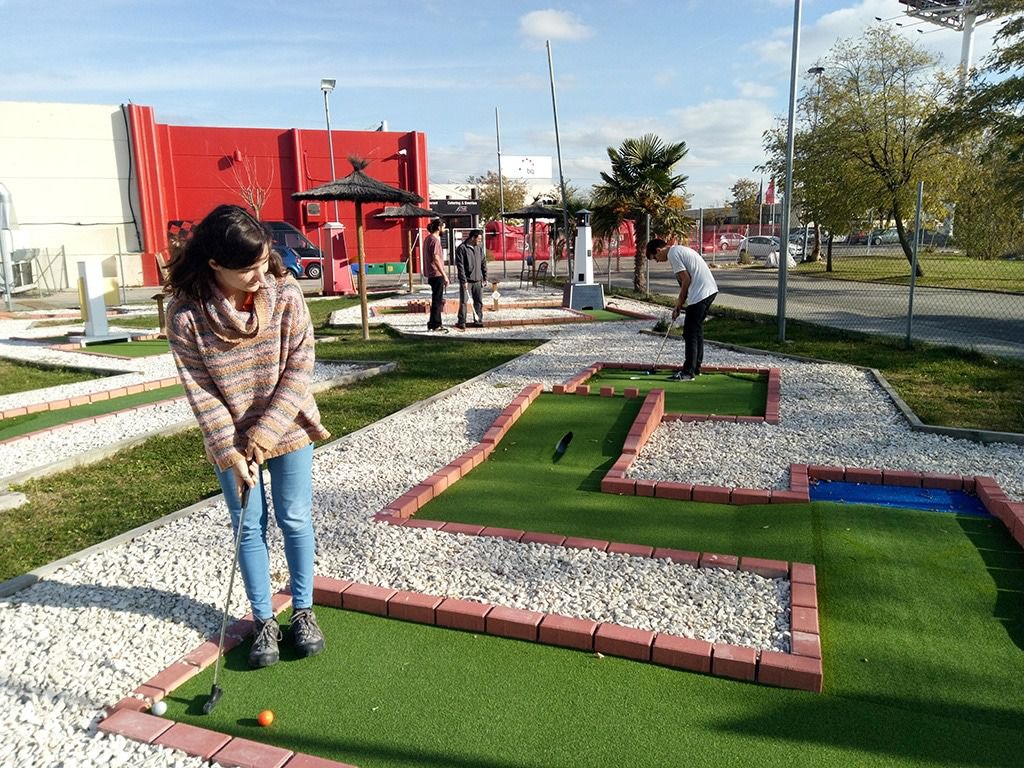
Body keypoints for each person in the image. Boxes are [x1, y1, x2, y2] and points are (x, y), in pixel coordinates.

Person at [164, 204, 330, 669]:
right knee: (247, 526)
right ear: (215, 264)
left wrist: (265, 432)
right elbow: (200, 390)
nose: (261, 275)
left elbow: (300, 367)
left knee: (294, 518)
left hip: (289, 424)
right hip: (232, 440)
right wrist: (230, 450)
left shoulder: (285, 292)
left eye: (263, 261)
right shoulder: (185, 315)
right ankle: (263, 620)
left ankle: (303, 610)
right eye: (248, 269)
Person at [645, 238, 719, 381]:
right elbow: (685, 282)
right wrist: (680, 305)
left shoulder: (673, 254)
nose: (657, 261)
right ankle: (695, 368)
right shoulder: (678, 250)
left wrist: (678, 305)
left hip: (701, 293)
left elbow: (686, 280)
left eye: (655, 258)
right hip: (708, 291)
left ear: (658, 250)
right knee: (696, 331)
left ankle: (688, 372)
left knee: (690, 333)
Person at [454, 229, 487, 329]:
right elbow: (460, 267)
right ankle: (462, 321)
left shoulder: (479, 248)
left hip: (478, 280)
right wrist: (463, 280)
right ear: (473, 238)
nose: (480, 241)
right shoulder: (462, 248)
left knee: (478, 301)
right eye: (479, 239)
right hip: (467, 281)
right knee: (464, 302)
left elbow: (483, 263)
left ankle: (478, 320)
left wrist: (485, 277)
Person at [424, 218, 449, 332]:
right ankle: (436, 324)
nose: (444, 230)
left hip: (431, 274)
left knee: (436, 299)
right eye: (443, 227)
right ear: (439, 227)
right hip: (436, 273)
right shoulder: (435, 241)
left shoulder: (427, 239)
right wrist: (444, 275)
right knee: (437, 300)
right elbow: (436, 258)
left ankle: (432, 323)